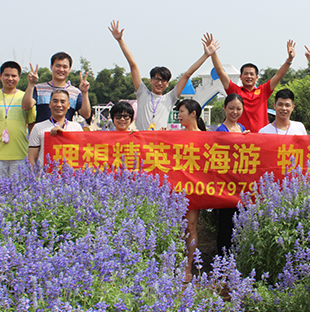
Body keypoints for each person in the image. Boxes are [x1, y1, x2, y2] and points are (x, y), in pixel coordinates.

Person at [109, 20, 218, 131]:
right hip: (141, 142)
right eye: (156, 79)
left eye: (163, 80)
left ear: (167, 84)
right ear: (151, 80)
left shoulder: (169, 98)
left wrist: (205, 55)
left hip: (160, 144)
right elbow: (133, 65)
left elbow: (187, 75)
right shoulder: (142, 93)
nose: (159, 83)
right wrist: (120, 40)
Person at [211, 38, 296, 132]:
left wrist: (289, 59)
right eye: (246, 74)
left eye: (252, 74)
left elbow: (278, 75)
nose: (249, 76)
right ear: (241, 77)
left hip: (261, 138)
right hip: (241, 138)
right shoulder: (235, 91)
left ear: (256, 78)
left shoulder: (264, 90)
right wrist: (213, 53)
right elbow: (220, 73)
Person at [215, 94, 249, 256]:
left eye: (238, 109)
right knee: (226, 223)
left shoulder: (242, 129)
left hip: (240, 184)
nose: (234, 112)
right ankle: (222, 260)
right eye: (231, 108)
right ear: (224, 108)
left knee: (240, 222)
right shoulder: (220, 130)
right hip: (226, 184)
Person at [176, 99, 206, 281]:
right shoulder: (174, 135)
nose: (179, 116)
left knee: (191, 226)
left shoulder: (207, 136)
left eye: (182, 112)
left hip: (196, 188)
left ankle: (188, 266)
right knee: (177, 227)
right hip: (176, 187)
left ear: (193, 113)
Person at [22, 52, 91, 123]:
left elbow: (86, 115)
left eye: (65, 67)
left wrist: (84, 93)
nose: (61, 69)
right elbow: (25, 106)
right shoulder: (39, 89)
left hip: (65, 133)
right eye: (58, 66)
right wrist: (31, 84)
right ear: (51, 67)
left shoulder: (75, 92)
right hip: (43, 132)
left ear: (69, 69)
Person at [28, 90, 83, 166]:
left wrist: (65, 134)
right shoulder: (38, 127)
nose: (59, 105)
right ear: (50, 104)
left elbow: (81, 151)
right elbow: (32, 158)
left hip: (70, 174)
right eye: (55, 101)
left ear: (68, 105)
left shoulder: (76, 127)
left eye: (62, 102)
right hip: (46, 175)